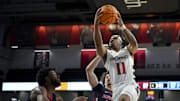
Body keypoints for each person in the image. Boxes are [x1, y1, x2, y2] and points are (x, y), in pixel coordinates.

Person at [93, 8, 140, 101]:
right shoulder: (107, 55)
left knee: (123, 98)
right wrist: (96, 25)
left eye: (116, 37)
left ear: (122, 43)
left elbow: (134, 44)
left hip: (129, 85)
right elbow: (98, 44)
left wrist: (122, 26)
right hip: (116, 88)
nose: (112, 38)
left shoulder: (127, 51)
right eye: (111, 38)